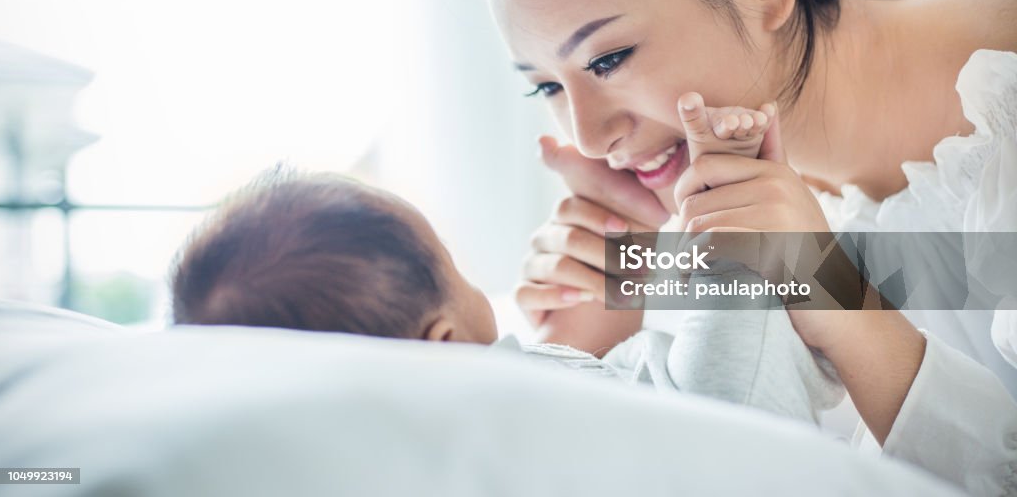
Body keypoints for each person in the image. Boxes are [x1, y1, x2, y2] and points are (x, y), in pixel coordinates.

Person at [468, 0, 1017, 494]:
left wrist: (840, 301)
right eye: (548, 85)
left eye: (608, 58)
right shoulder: (729, 208)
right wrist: (612, 341)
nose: (588, 136)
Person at [169, 168, 842, 426]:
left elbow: (621, 376)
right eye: (454, 265)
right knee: (733, 274)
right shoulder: (504, 397)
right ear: (444, 346)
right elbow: (686, 401)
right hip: (728, 437)